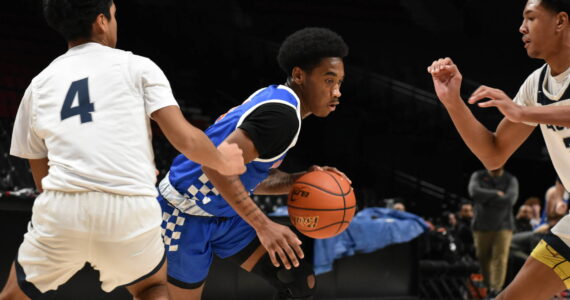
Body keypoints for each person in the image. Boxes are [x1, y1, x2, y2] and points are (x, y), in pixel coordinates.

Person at [0, 0, 246, 299]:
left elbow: (39, 173)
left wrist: (69, 213)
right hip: (129, 207)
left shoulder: (38, 85)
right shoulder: (137, 66)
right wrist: (223, 160)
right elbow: (185, 139)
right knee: (152, 286)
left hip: (64, 208)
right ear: (101, 21)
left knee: (15, 294)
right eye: (114, 16)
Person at [158, 27, 349, 300]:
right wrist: (264, 225)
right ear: (298, 75)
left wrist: (297, 180)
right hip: (183, 215)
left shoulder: (280, 101)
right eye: (329, 81)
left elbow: (246, 176)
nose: (337, 92)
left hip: (223, 216)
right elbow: (214, 167)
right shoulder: (281, 117)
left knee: (297, 280)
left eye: (340, 82)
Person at [427, 0, 570, 298]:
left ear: (560, 21)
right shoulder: (537, 84)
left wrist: (522, 112)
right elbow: (494, 152)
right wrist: (453, 101)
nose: (521, 28)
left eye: (530, 18)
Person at [467, 166, 519, 296]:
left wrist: (485, 198)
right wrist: (496, 193)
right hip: (481, 224)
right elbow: (474, 192)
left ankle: (495, 290)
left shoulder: (510, 179)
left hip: (504, 225)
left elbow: (510, 199)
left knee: (500, 258)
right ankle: (488, 286)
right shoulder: (477, 175)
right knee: (482, 256)